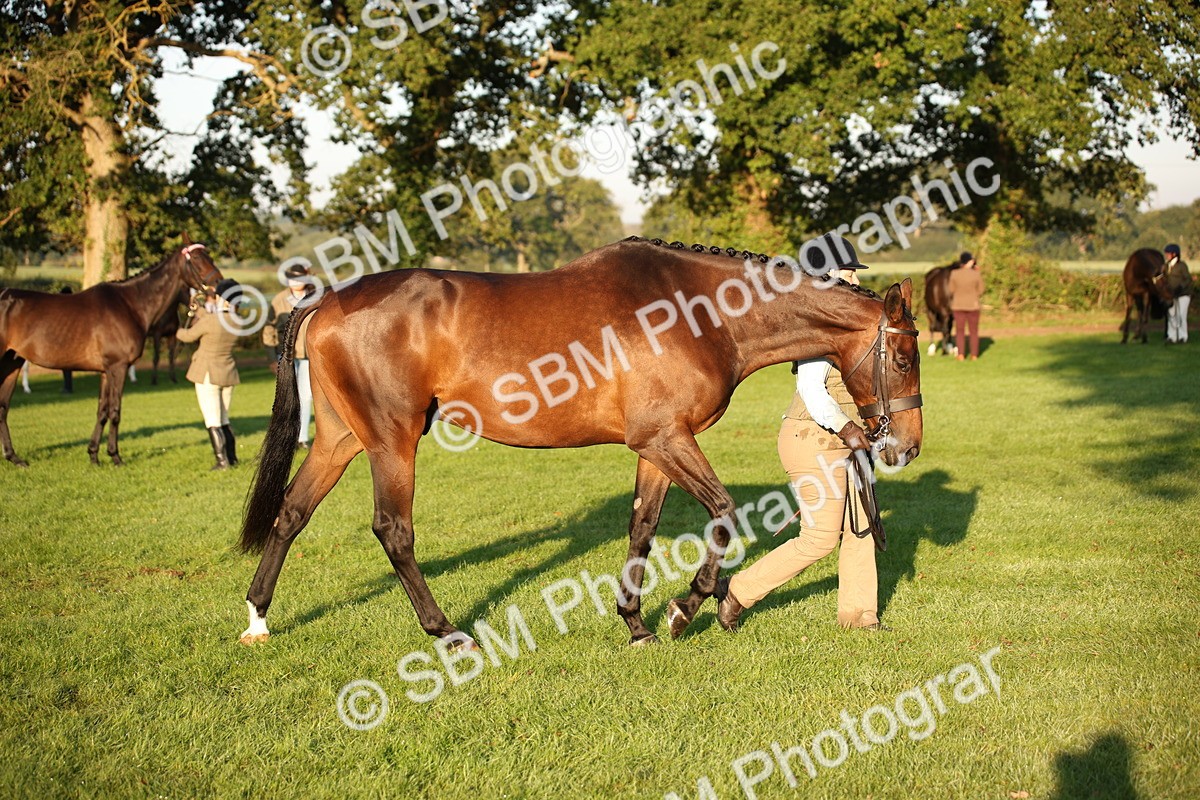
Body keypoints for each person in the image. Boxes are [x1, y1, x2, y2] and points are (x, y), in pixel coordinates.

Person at [714, 234, 886, 633]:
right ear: (826, 274)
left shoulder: (843, 325)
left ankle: (860, 617)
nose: (855, 282)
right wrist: (848, 428)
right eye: (848, 272)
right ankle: (736, 591)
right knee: (820, 539)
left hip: (848, 443)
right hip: (812, 440)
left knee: (860, 530)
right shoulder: (814, 330)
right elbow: (813, 390)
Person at [177, 278, 243, 470]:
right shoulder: (237, 321)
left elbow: (188, 336)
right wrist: (199, 309)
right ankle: (232, 458)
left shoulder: (210, 321)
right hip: (227, 373)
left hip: (208, 373)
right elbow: (213, 318)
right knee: (224, 418)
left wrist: (177, 329)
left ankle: (221, 462)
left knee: (212, 420)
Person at [266, 264, 316, 449]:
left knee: (306, 396)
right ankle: (286, 437)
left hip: (309, 355)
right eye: (292, 279)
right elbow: (269, 329)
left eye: (299, 278)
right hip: (285, 354)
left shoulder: (315, 296)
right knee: (287, 396)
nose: (296, 283)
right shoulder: (279, 300)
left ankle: (302, 438)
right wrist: (271, 357)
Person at [947, 251, 984, 361]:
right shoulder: (976, 274)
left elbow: (951, 290)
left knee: (959, 331)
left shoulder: (954, 273)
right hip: (973, 305)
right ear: (970, 261)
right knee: (973, 331)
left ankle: (961, 354)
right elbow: (981, 290)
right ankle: (974, 355)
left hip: (958, 305)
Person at [1163, 244, 1192, 344]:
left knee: (1181, 315)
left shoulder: (1181, 265)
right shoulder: (1166, 266)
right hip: (1171, 294)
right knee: (1171, 315)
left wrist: (1181, 287)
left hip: (1183, 294)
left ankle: (1183, 336)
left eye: (1168, 253)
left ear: (1174, 254)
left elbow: (1187, 279)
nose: (1166, 255)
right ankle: (1172, 336)